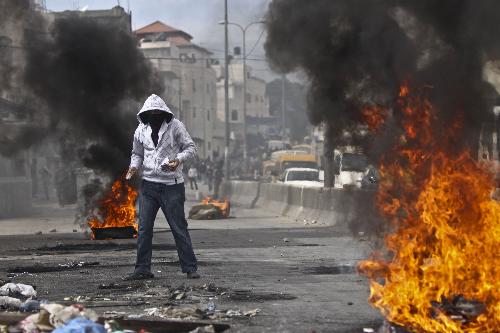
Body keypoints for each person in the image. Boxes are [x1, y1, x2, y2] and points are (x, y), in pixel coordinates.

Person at [124, 94, 199, 280]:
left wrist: (177, 159)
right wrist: (133, 168)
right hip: (148, 185)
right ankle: (142, 269)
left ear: (165, 113)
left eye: (159, 112)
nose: (155, 115)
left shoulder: (176, 127)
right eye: (152, 112)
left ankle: (190, 268)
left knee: (178, 228)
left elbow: (191, 148)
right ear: (146, 114)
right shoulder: (141, 129)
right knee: (144, 229)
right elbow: (137, 153)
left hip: (172, 186)